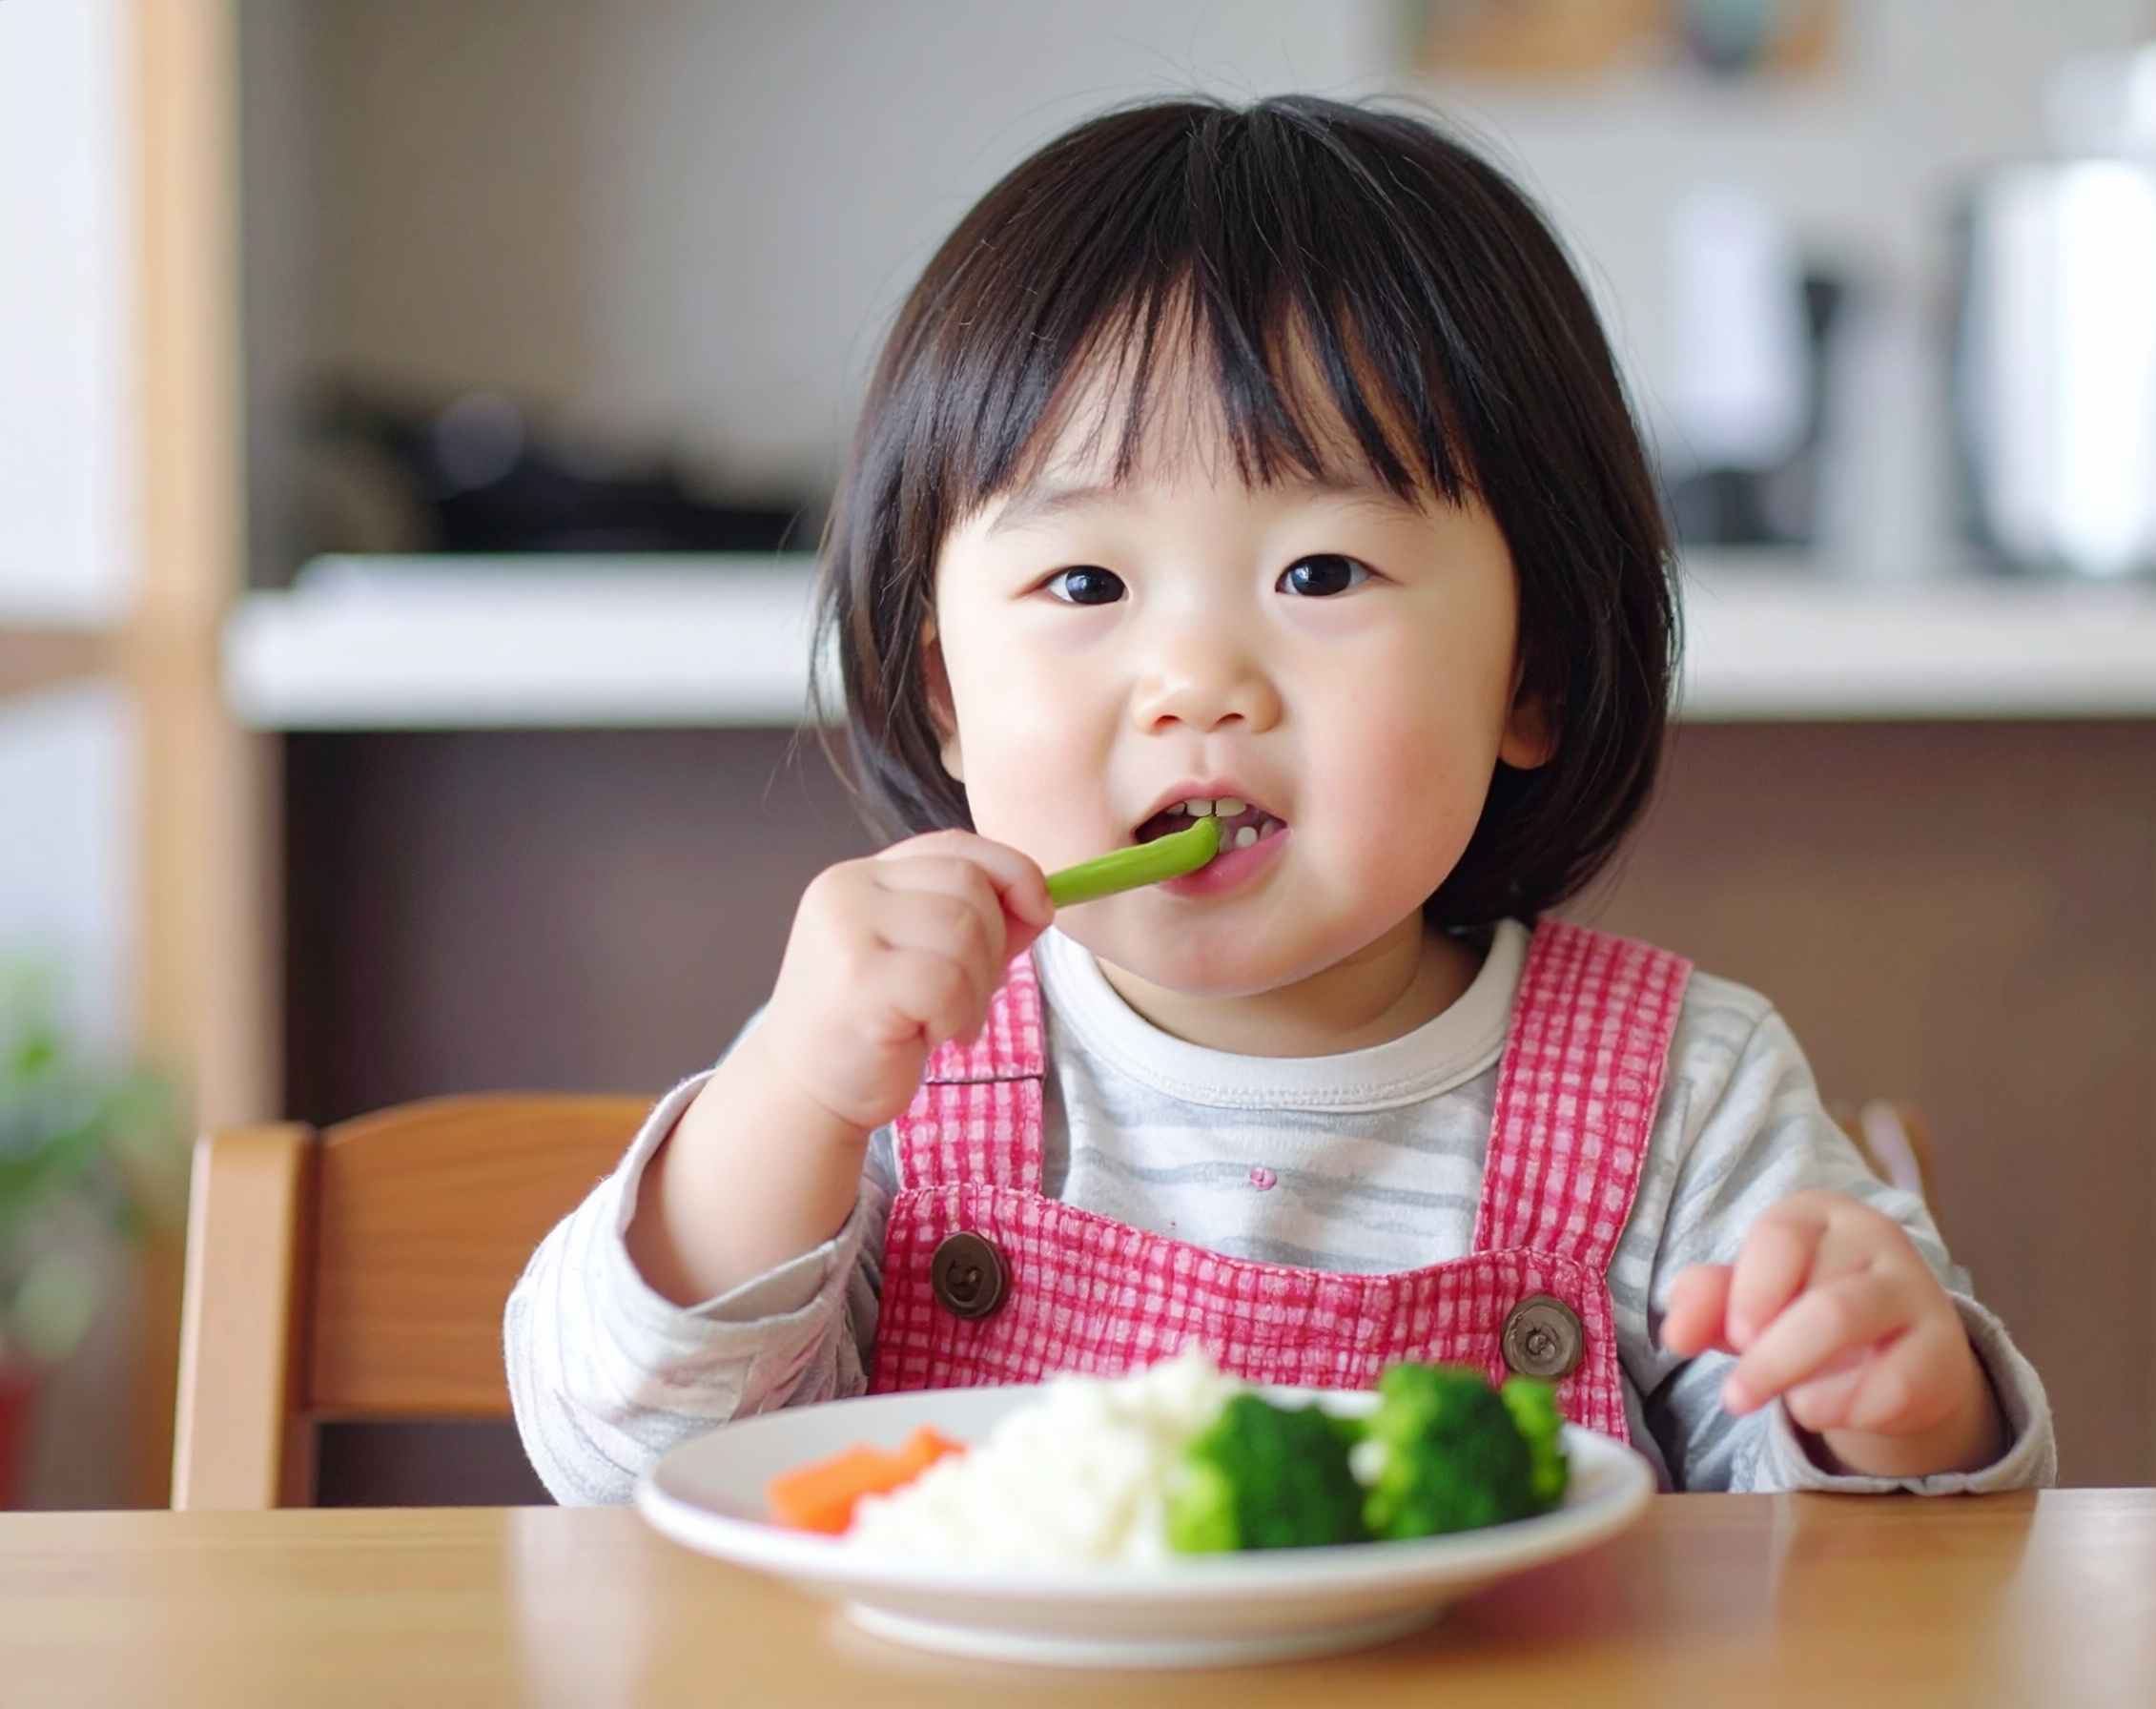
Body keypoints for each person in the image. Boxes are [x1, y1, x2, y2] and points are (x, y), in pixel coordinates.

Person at [506, 95, 2053, 1505]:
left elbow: (1878, 1566)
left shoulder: (1682, 1093)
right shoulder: (888, 1069)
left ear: (1536, 677)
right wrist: (788, 1092)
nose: (1195, 678)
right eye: (1085, 579)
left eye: (1321, 571)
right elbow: (622, 1458)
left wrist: (1895, 1409)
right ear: (941, 695)